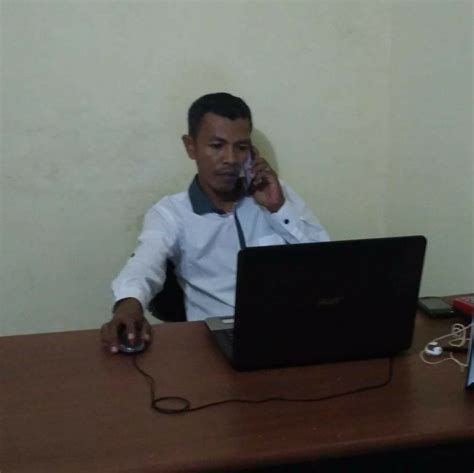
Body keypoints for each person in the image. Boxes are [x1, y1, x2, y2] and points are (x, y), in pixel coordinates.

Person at [101, 92, 329, 353]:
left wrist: (277, 209)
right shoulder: (172, 213)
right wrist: (129, 304)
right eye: (217, 146)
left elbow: (326, 266)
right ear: (191, 147)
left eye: (241, 147)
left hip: (292, 331)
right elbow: (144, 263)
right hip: (215, 344)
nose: (230, 159)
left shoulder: (275, 194)